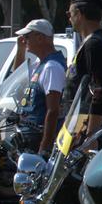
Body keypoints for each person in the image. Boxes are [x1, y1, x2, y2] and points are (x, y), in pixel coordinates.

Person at [63, 0, 102, 138]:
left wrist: (91, 136)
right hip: (89, 125)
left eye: (69, 14)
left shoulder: (94, 45)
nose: (69, 18)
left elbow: (100, 90)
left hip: (88, 129)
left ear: (79, 14)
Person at [11, 18, 66, 155]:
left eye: (27, 36)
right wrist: (21, 49)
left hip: (37, 139)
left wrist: (45, 146)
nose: (24, 40)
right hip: (27, 137)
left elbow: (53, 110)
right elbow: (17, 77)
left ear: (40, 38)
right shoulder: (41, 64)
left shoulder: (51, 67)